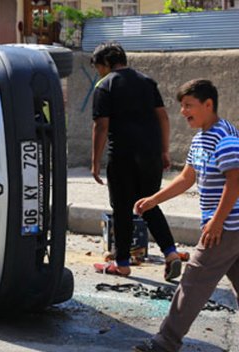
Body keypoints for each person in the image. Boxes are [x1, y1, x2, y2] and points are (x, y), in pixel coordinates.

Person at [132, 79, 239, 352]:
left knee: (191, 284)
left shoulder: (224, 137)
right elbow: (187, 177)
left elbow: (235, 181)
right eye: (182, 106)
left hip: (226, 227)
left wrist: (216, 221)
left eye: (189, 105)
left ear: (208, 105)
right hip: (226, 225)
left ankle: (164, 343)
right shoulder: (201, 137)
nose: (183, 111)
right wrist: (154, 200)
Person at [90, 42, 186, 278]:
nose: (98, 72)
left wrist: (95, 162)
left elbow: (101, 126)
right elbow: (162, 117)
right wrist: (164, 151)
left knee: (122, 208)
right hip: (151, 154)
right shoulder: (147, 81)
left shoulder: (105, 85)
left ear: (105, 64)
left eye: (98, 67)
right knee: (149, 204)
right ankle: (171, 253)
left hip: (123, 156)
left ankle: (122, 263)